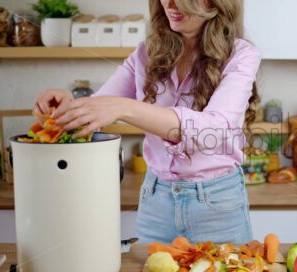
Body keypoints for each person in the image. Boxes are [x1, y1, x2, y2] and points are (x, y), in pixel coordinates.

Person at [33, 0, 261, 244]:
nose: (170, 4)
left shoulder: (241, 55)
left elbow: (213, 129)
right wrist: (65, 108)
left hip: (218, 206)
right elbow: (98, 110)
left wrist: (126, 107)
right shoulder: (145, 54)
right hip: (155, 204)